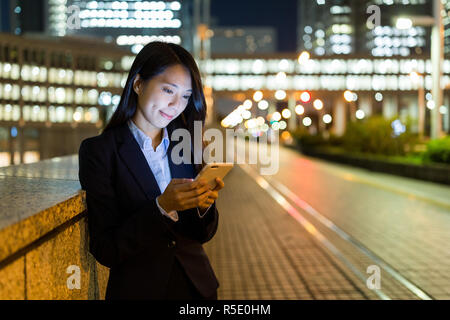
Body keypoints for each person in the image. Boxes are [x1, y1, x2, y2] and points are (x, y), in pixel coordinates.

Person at [78, 41, 224, 300]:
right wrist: (161, 207)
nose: (177, 105)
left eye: (186, 96)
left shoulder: (186, 144)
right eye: (169, 90)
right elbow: (105, 248)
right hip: (139, 291)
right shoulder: (100, 151)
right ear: (138, 84)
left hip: (197, 288)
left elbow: (201, 235)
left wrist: (203, 206)